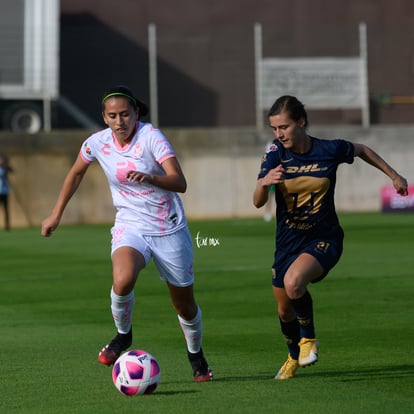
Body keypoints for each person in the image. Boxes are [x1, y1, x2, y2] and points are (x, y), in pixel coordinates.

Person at [41, 85, 213, 382]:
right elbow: (76, 172)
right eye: (113, 116)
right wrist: (56, 214)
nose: (120, 121)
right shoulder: (97, 143)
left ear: (136, 113)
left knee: (184, 305)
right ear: (104, 118)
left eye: (125, 114)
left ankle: (196, 355)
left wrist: (150, 177)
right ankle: (123, 335)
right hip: (130, 224)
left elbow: (180, 182)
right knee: (122, 280)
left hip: (167, 228)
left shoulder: (151, 138)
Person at [253, 95, 408, 380]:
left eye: (284, 127)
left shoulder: (329, 149)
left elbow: (362, 150)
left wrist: (394, 175)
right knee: (284, 310)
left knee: (293, 282)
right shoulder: (275, 154)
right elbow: (257, 202)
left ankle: (308, 340)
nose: (279, 134)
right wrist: (263, 183)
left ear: (301, 122)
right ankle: (292, 356)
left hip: (324, 238)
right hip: (287, 243)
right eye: (274, 129)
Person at [0, 153, 13, 231]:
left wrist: (5, 166)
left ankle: (7, 226)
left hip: (4, 192)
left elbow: (11, 170)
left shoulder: (5, 168)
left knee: (6, 209)